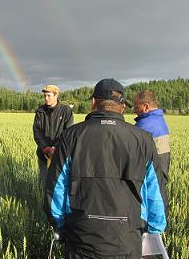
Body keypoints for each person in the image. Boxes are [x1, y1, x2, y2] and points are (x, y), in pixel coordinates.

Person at [44, 78, 167, 258]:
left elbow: (55, 189)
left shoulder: (71, 136)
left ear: (94, 103)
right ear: (122, 107)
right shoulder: (143, 139)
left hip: (81, 239)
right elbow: (155, 194)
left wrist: (62, 226)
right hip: (128, 241)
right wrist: (153, 232)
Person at [134, 89, 170, 218]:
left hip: (150, 189)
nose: (133, 110)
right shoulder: (159, 121)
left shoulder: (144, 126)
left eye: (136, 106)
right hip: (160, 184)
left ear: (146, 106)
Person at [33, 84, 73, 183]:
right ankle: (43, 198)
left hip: (59, 155)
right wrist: (44, 147)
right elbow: (36, 131)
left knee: (58, 184)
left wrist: (55, 147)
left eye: (49, 96)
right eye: (45, 96)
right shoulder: (40, 111)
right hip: (43, 154)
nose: (46, 98)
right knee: (44, 182)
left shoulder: (66, 111)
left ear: (56, 95)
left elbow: (68, 132)